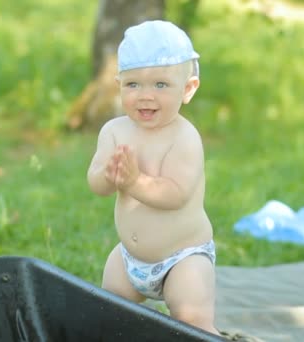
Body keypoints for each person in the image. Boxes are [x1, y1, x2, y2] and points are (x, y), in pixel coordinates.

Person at [87, 20, 220, 336]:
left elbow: (175, 195)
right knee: (108, 313)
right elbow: (96, 183)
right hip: (129, 259)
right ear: (118, 85)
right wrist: (108, 176)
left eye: (160, 85)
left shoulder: (184, 138)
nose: (145, 96)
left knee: (193, 323)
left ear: (188, 89)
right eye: (133, 85)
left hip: (183, 258)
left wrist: (133, 183)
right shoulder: (114, 131)